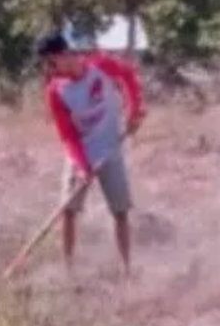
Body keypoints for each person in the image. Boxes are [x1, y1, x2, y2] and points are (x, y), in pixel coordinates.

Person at [37, 32, 145, 275]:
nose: (48, 69)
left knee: (120, 212)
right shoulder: (55, 91)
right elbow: (67, 135)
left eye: (50, 62)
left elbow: (128, 75)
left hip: (110, 150)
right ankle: (69, 270)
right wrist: (83, 166)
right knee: (68, 210)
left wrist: (134, 111)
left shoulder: (100, 65)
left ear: (64, 55)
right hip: (79, 155)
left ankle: (127, 269)